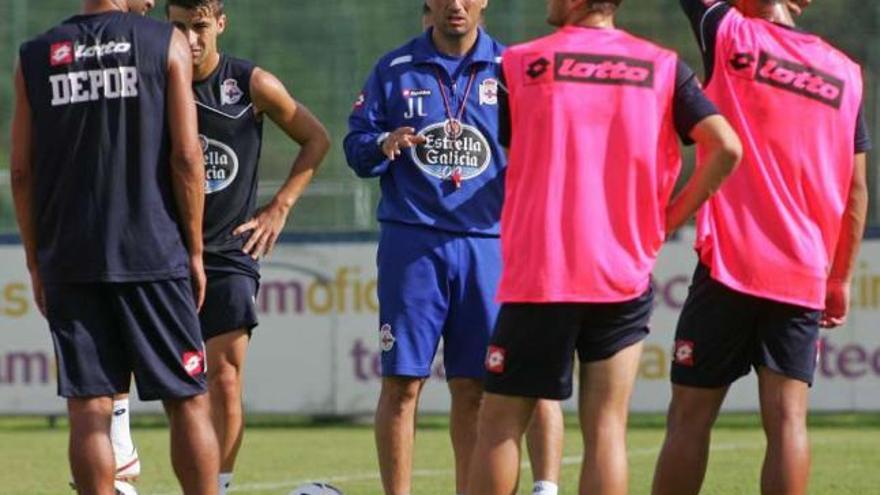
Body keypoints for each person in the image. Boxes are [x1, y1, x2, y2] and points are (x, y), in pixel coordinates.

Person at [466, 0, 744, 493]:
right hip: (621, 275)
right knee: (606, 430)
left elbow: (511, 137)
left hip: (542, 272)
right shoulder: (662, 66)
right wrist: (668, 222)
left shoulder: (520, 63)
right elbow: (726, 146)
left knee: (500, 424)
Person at [85, 2, 331, 494]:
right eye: (179, 27)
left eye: (199, 27)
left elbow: (315, 138)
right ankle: (116, 470)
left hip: (228, 254)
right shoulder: (147, 82)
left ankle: (214, 486)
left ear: (220, 24)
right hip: (158, 250)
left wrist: (279, 206)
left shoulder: (251, 84)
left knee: (222, 377)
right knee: (121, 364)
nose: (191, 39)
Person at [344, 1, 564, 494]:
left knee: (477, 389)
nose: (457, 5)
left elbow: (545, 148)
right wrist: (382, 144)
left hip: (486, 244)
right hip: (413, 242)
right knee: (402, 384)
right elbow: (355, 145)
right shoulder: (395, 69)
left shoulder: (510, 70)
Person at [652, 1, 871, 494]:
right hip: (802, 272)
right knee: (788, 419)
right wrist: (838, 279)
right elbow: (857, 189)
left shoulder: (730, 33)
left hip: (731, 264)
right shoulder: (846, 73)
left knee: (689, 415)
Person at [10, 0, 221, 493]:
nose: (150, 2)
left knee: (90, 407)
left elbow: (21, 172)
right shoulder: (162, 41)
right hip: (154, 252)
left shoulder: (35, 54)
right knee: (187, 398)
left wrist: (36, 259)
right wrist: (194, 249)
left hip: (71, 256)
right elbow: (188, 157)